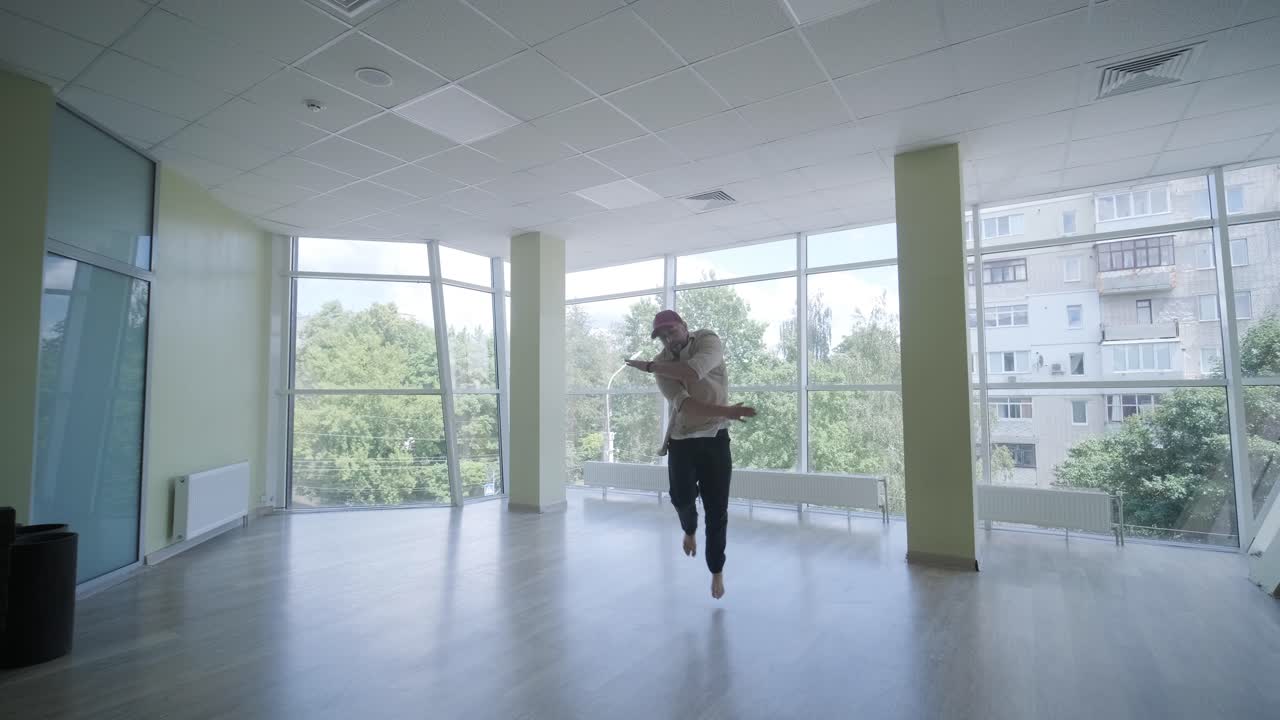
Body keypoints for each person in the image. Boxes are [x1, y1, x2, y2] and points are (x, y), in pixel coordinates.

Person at [627, 310, 755, 600]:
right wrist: (727, 411)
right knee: (681, 498)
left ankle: (716, 570)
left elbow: (695, 370)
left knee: (716, 510)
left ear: (685, 326)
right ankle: (689, 528)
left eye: (671, 331)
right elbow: (686, 405)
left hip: (715, 437)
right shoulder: (661, 364)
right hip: (682, 438)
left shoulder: (708, 340)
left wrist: (649, 367)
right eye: (662, 336)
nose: (668, 339)